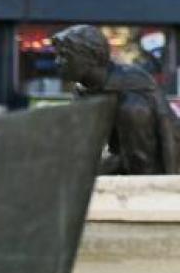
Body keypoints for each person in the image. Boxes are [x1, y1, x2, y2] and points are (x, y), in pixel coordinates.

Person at [53, 24, 179, 175]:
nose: (57, 62)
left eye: (65, 55)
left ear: (91, 58)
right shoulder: (85, 89)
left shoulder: (133, 99)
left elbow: (140, 165)